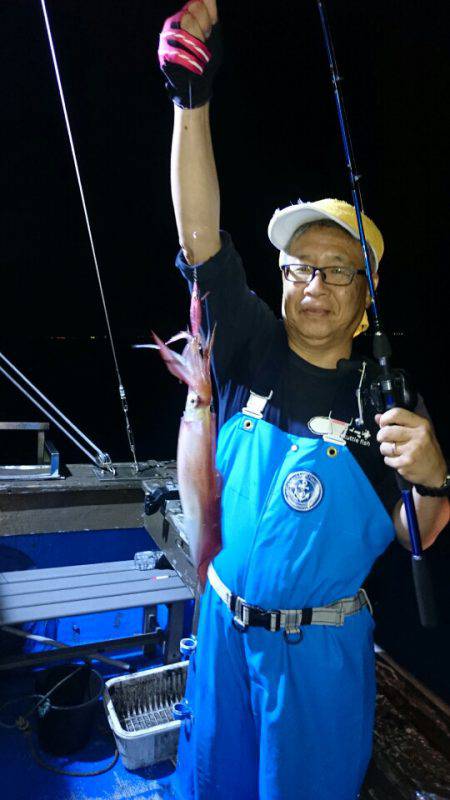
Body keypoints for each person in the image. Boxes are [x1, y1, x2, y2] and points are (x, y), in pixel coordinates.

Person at [158, 3, 450, 798]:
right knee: (210, 781)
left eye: (335, 269)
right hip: (220, 631)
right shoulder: (249, 347)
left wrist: (431, 479)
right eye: (297, 267)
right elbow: (200, 238)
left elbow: (412, 534)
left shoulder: (383, 393)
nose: (312, 283)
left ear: (367, 293)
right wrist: (192, 104)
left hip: (320, 658)